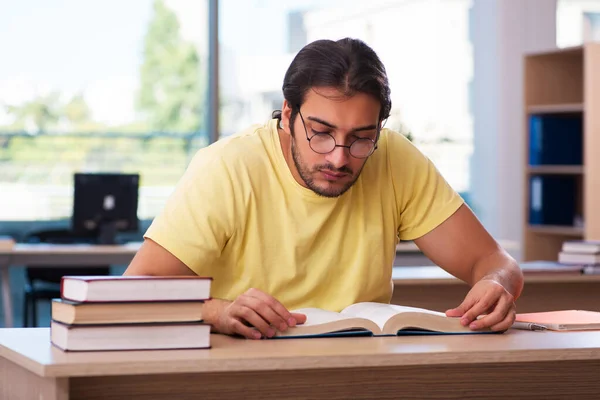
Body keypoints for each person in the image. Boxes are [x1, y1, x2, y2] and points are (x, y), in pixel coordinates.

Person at [124, 38, 524, 340]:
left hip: (359, 373)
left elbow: (495, 262)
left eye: (361, 138)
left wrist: (496, 284)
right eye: (321, 133)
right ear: (287, 115)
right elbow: (133, 292)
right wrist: (219, 313)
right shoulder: (227, 167)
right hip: (246, 370)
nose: (339, 157)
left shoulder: (396, 159)